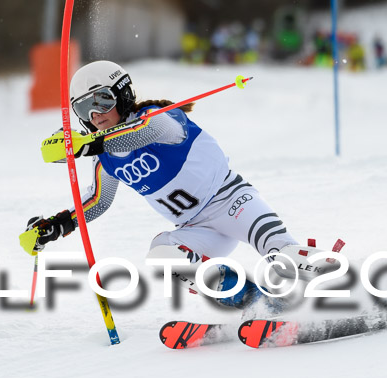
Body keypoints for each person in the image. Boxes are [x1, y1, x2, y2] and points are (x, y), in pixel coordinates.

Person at [24, 61, 330, 310]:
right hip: (196, 227)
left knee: (284, 255)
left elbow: (144, 133)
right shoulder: (107, 159)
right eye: (83, 109)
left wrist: (87, 147)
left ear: (123, 94)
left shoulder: (159, 117)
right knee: (162, 256)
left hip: (233, 202)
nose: (95, 115)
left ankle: (342, 288)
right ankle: (254, 304)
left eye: (102, 100)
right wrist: (57, 225)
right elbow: (97, 202)